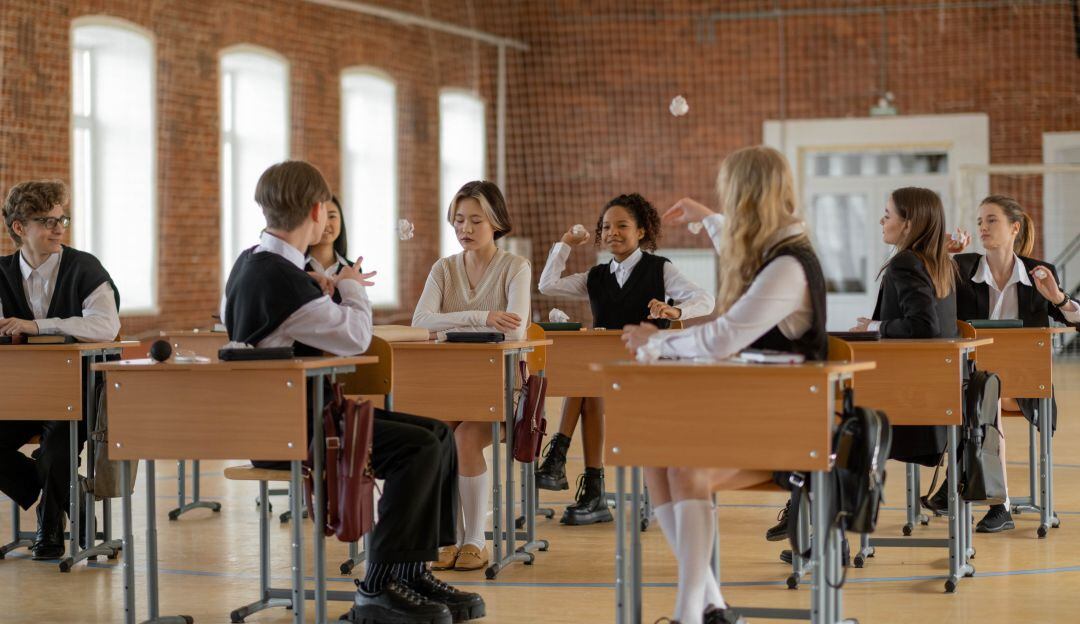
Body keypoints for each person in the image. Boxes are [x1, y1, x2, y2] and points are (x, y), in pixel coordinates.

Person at [222, 161, 484, 623]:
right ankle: (377, 587)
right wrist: (350, 288)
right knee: (418, 448)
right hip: (294, 431)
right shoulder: (282, 279)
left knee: (438, 435)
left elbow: (283, 321)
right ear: (316, 211)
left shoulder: (251, 263)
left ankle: (411, 572)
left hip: (291, 420)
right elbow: (358, 338)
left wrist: (318, 291)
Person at [620, 146, 827, 624]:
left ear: (748, 197)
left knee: (687, 469)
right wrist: (707, 218)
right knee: (656, 457)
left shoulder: (789, 266)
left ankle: (688, 614)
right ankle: (712, 605)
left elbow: (722, 337)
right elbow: (739, 255)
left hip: (793, 430)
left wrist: (657, 342)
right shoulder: (777, 253)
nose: (728, 205)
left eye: (730, 196)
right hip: (763, 416)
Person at [536, 193, 713, 525]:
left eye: (621, 226)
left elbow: (706, 299)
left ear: (641, 231)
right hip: (606, 377)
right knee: (586, 385)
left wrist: (675, 310)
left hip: (648, 374)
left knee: (585, 385)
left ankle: (568, 466)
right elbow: (547, 285)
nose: (612, 232)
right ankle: (587, 488)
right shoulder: (596, 276)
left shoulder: (660, 269)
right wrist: (565, 244)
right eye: (606, 227)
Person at [922, 195, 1080, 532]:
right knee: (983, 393)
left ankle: (977, 492)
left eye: (992, 220)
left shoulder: (1039, 273)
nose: (983, 227)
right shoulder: (961, 267)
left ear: (1015, 228)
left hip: (1026, 385)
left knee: (984, 395)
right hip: (971, 382)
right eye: (980, 221)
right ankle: (997, 503)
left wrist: (1057, 298)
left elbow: (1075, 320)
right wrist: (940, 257)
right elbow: (931, 305)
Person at [412, 180, 531, 572]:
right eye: (459, 220)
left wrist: (447, 328)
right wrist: (482, 318)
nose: (465, 228)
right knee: (436, 438)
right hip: (449, 386)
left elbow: (514, 331)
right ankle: (448, 537)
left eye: (475, 220)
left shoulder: (516, 267)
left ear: (496, 222)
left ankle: (476, 540)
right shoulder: (443, 269)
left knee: (464, 438)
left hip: (502, 388)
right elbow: (420, 323)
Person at [0, 179, 121, 560]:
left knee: (55, 451)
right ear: (19, 227)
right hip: (18, 394)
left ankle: (49, 527)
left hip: (78, 392)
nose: (58, 228)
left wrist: (38, 326)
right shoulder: (2, 272)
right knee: (49, 460)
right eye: (47, 221)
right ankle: (71, 495)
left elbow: (106, 326)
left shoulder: (85, 267)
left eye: (62, 219)